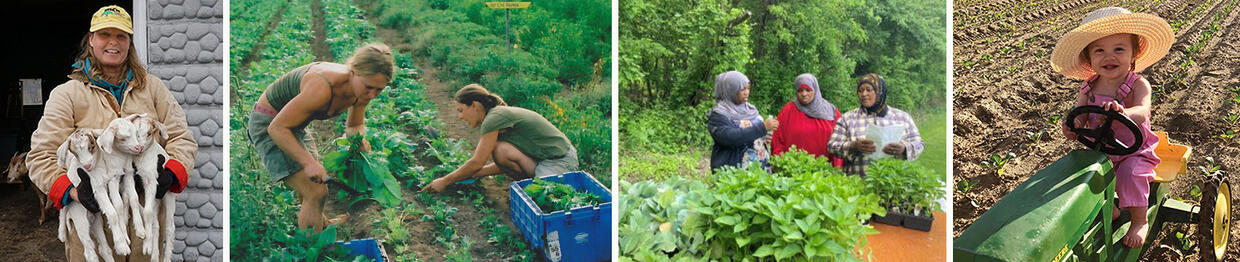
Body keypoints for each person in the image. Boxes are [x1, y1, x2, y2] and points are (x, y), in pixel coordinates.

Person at [27, 5, 194, 260]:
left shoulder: (153, 89)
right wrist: (74, 192)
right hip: (93, 227)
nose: (113, 42)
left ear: (129, 43)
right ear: (91, 40)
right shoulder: (68, 95)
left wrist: (170, 173)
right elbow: (40, 156)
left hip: (144, 230)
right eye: (105, 34)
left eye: (121, 36)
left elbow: (182, 137)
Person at [1051, 6, 1171, 248]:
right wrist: (1072, 126)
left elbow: (1142, 111)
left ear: (1133, 54)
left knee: (1129, 175)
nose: (1109, 57)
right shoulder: (1088, 87)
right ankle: (1111, 209)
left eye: (1119, 49)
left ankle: (1139, 220)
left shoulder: (1138, 84)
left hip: (1134, 150)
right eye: (1099, 51)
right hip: (1100, 148)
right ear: (1088, 58)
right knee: (1085, 173)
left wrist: (1124, 113)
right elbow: (1079, 116)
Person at [246, 43, 396, 232]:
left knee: (313, 184)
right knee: (316, 191)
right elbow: (277, 128)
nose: (373, 95)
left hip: (295, 124)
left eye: (379, 90)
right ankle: (312, 250)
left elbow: (353, 125)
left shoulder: (362, 91)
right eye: (369, 87)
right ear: (354, 71)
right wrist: (308, 163)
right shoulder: (323, 86)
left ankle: (320, 225)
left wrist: (359, 141)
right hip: (270, 121)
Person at [420, 84, 578, 192]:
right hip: (541, 159)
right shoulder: (495, 116)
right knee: (500, 150)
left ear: (474, 106)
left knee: (545, 197)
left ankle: (531, 189)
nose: (460, 117)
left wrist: (445, 181)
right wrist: (473, 174)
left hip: (561, 159)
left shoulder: (494, 118)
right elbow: (501, 163)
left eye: (461, 110)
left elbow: (477, 162)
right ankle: (527, 187)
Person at [827, 73, 924, 176]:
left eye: (869, 90)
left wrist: (904, 148)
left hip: (893, 184)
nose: (864, 94)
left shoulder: (902, 117)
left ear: (880, 92)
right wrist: (854, 146)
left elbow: (919, 144)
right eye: (860, 91)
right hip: (857, 184)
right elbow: (832, 146)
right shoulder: (847, 118)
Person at [707, 71, 778, 171]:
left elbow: (754, 134)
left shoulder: (750, 110)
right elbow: (731, 138)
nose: (746, 92)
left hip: (759, 169)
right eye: (742, 89)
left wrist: (765, 136)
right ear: (730, 90)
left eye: (748, 88)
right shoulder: (719, 114)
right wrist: (762, 128)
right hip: (734, 172)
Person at [771, 73, 843, 166]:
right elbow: (777, 139)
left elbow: (841, 138)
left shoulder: (831, 111)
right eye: (800, 90)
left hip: (825, 171)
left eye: (808, 90)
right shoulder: (788, 111)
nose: (804, 94)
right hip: (794, 171)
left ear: (815, 89)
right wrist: (781, 163)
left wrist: (837, 166)